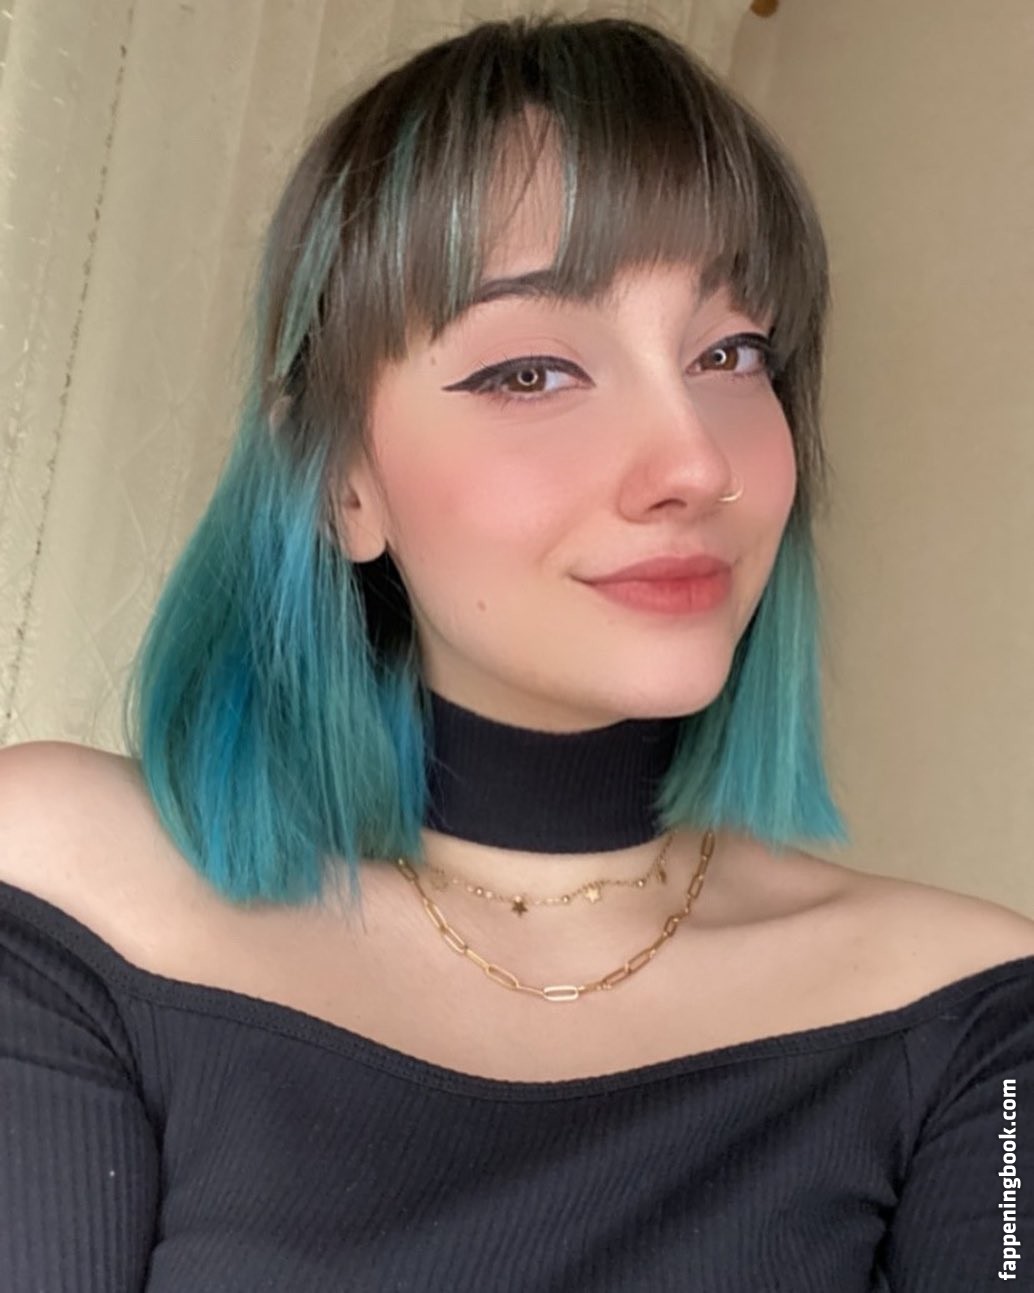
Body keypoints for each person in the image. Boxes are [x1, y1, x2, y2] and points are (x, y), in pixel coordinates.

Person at [1, 13, 1031, 1291]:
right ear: (340, 479)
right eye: (533, 372)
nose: (693, 463)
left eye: (729, 353)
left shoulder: (973, 1014)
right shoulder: (78, 892)